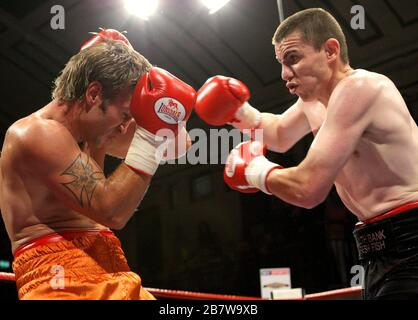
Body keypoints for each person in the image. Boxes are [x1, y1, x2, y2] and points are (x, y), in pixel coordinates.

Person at [194, 8, 418, 299]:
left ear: (330, 50)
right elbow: (277, 134)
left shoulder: (360, 88)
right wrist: (237, 111)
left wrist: (254, 171)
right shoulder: (313, 102)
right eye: (281, 63)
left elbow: (308, 188)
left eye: (293, 58)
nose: (285, 74)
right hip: (374, 248)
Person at [0, 29, 195, 299]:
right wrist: (149, 136)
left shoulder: (97, 132)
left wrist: (160, 103)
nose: (127, 125)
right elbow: (111, 211)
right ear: (93, 94)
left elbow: (179, 146)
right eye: (126, 114)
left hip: (113, 269)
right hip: (61, 280)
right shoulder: (37, 134)